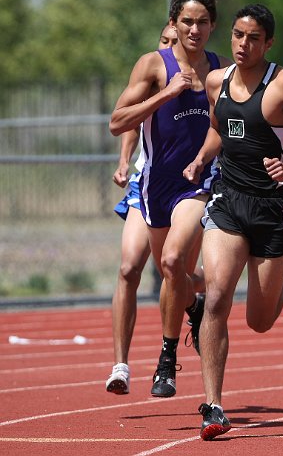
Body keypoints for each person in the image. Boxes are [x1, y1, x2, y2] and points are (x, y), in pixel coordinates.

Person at [182, 4, 283, 441]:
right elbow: (219, 127)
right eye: (239, 36)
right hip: (228, 201)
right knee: (218, 297)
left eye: (254, 38)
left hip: (272, 208)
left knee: (259, 320)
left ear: (269, 42)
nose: (244, 45)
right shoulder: (215, 81)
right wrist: (203, 156)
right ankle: (214, 406)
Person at [109, 0, 232, 399]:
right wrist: (167, 93)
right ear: (174, 23)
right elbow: (117, 121)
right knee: (170, 270)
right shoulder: (153, 65)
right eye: (187, 22)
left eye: (202, 22)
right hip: (156, 185)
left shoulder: (219, 70)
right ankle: (192, 307)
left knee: (175, 258)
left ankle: (165, 358)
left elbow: (222, 127)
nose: (194, 29)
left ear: (212, 25)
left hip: (198, 184)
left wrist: (204, 159)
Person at [106, 24, 180, 395]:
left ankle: (192, 302)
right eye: (164, 41)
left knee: (173, 269)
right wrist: (124, 161)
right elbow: (129, 122)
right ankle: (120, 365)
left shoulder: (196, 78)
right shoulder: (151, 75)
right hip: (144, 183)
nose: (168, 47)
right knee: (128, 266)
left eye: (174, 42)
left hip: (184, 186)